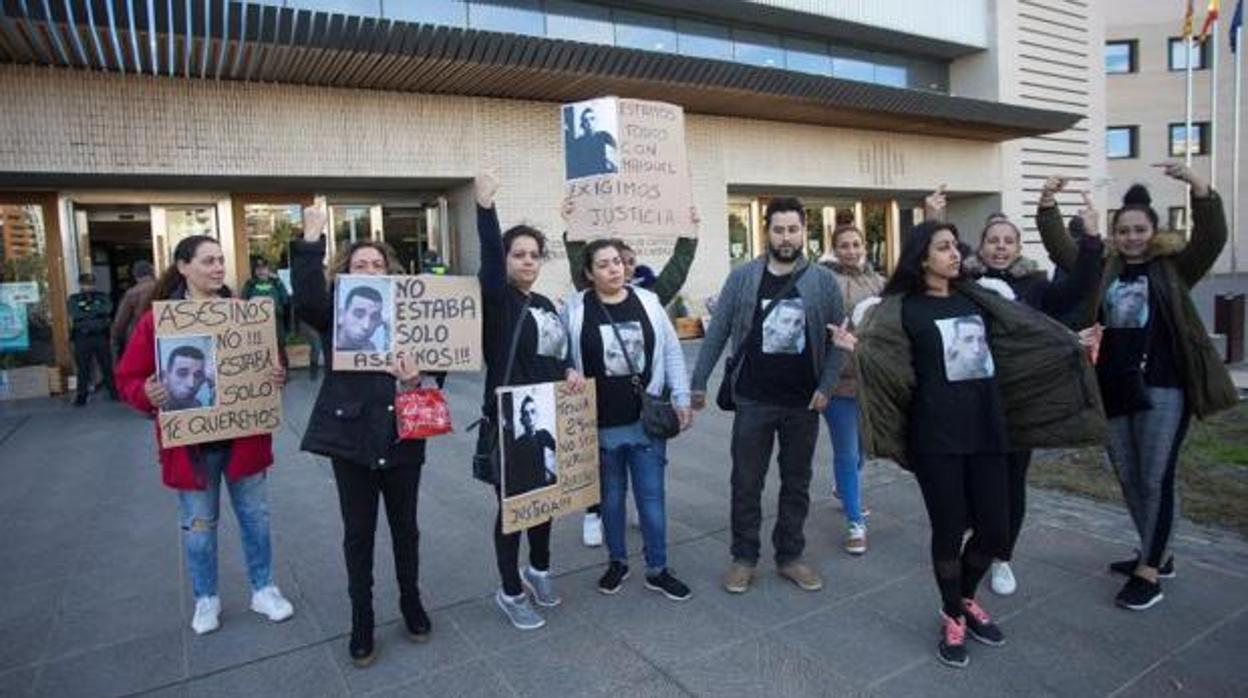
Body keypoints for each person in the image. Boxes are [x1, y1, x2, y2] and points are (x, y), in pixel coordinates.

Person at [845, 221, 1104, 668]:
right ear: (922, 257)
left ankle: (964, 597)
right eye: (943, 247)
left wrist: (1069, 342)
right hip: (936, 437)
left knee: (996, 530)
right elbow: (885, 362)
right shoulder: (902, 308)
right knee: (948, 530)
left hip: (988, 429)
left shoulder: (979, 297)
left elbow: (1025, 335)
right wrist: (856, 349)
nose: (954, 254)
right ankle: (951, 613)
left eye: (955, 246)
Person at [1036, 164, 1237, 611]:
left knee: (1155, 475)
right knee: (1128, 475)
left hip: (1165, 386)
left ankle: (1151, 569)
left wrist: (1199, 187)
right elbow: (1063, 251)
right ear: (1114, 233)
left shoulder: (1174, 269)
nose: (1131, 237)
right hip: (1114, 386)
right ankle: (1154, 549)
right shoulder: (1105, 269)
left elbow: (1212, 237)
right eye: (1123, 230)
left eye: (1139, 230)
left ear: (1153, 231)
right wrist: (1048, 204)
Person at [926, 184, 1104, 597]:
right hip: (970, 400)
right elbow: (929, 268)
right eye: (993, 241)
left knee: (1012, 481)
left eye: (1008, 241)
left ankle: (1002, 556)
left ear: (1019, 247)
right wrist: (935, 219)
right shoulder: (965, 281)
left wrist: (1093, 240)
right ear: (982, 246)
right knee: (974, 478)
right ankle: (978, 538)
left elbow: (1079, 290)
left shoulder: (1036, 285)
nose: (1000, 247)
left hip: (1020, 402)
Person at [115, 235, 294, 636]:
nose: (218, 268)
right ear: (183, 266)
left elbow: (272, 362)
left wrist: (277, 373)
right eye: (208, 261)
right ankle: (206, 597)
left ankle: (264, 589)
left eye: (221, 260)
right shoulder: (157, 322)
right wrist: (146, 392)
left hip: (243, 444)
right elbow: (128, 376)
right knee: (198, 527)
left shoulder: (243, 314)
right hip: (191, 450)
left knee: (256, 520)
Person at [292, 205, 430, 667]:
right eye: (359, 265)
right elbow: (307, 298)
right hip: (350, 439)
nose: (369, 270)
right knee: (359, 534)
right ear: (344, 274)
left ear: (391, 272)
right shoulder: (333, 316)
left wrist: (416, 380)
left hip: (403, 437)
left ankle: (411, 603)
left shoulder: (412, 316)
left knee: (406, 529)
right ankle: (362, 619)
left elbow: (441, 359)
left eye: (377, 264)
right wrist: (310, 237)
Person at [690, 197, 847, 594]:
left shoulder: (823, 282)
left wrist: (826, 387)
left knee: (797, 482)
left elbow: (839, 341)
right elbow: (718, 331)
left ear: (804, 230)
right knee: (746, 482)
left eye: (793, 229)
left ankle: (790, 555)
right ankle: (743, 557)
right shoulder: (743, 277)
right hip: (753, 400)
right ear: (767, 231)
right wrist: (697, 382)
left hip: (802, 403)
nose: (786, 237)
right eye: (779, 229)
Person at [474, 172, 586, 631]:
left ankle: (538, 569)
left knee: (546, 502)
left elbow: (554, 354)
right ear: (505, 260)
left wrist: (571, 370)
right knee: (514, 509)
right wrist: (484, 208)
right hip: (509, 420)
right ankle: (509, 589)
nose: (527, 261)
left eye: (534, 255)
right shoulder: (497, 300)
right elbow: (486, 261)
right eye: (518, 254)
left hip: (550, 413)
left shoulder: (544, 301)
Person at [561, 198, 700, 547]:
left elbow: (670, 349)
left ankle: (658, 564)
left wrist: (690, 233)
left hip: (645, 418)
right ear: (589, 272)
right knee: (609, 495)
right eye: (605, 264)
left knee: (651, 497)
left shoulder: (649, 299)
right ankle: (612, 551)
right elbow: (561, 355)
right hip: (600, 422)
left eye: (621, 262)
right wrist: (572, 226)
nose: (617, 268)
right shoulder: (577, 308)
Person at [817, 224, 885, 555]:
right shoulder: (825, 280)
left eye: (856, 244)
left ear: (865, 246)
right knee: (846, 450)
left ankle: (845, 491)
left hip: (870, 380)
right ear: (835, 248)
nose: (851, 250)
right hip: (839, 381)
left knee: (862, 449)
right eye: (844, 245)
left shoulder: (877, 281)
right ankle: (856, 523)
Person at [68, 273, 116, 406]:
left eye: (91, 284)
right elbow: (75, 313)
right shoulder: (74, 298)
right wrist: (95, 310)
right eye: (86, 284)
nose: (89, 286)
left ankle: (114, 392)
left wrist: (87, 309)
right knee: (83, 367)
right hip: (82, 337)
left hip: (100, 335)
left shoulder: (102, 296)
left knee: (106, 365)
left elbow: (107, 309)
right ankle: (81, 396)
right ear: (81, 285)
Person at [503, 394, 559, 497]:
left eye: (532, 412)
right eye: (526, 413)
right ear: (522, 419)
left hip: (546, 488)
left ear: (537, 415)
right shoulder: (518, 444)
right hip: (528, 491)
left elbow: (561, 450)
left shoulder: (544, 435)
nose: (530, 417)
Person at [242, 259, 291, 367]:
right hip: (257, 322)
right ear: (254, 271)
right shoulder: (250, 284)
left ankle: (284, 370)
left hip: (276, 320)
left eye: (263, 268)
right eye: (258, 269)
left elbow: (285, 300)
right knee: (259, 347)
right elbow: (243, 302)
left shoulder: (276, 283)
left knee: (280, 346)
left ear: (268, 269)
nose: (261, 271)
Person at [111, 260, 156, 357]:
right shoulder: (161, 287)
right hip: (159, 334)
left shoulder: (132, 293)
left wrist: (115, 338)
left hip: (138, 334)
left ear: (135, 275)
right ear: (152, 272)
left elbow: (121, 320)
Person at [566, 106, 618, 178]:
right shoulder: (577, 143)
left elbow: (616, 156)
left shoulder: (605, 136)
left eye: (592, 119)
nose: (589, 123)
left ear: (596, 121)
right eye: (586, 120)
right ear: (582, 124)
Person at [160, 345, 213, 411]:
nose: (191, 384)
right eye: (182, 373)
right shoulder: (158, 407)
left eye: (197, 375)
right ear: (165, 376)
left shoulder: (199, 405)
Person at [335, 285, 386, 352]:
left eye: (374, 317)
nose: (366, 326)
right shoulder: (327, 342)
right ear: (341, 315)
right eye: (359, 314)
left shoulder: (370, 349)